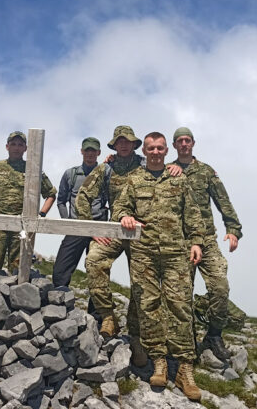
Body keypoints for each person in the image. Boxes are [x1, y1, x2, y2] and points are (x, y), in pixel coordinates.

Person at [112, 132, 206, 401]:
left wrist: (196, 242)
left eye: (160, 148)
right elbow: (119, 207)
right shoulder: (134, 180)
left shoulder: (179, 178)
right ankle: (159, 362)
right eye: (151, 148)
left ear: (166, 151)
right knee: (148, 305)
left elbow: (193, 214)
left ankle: (185, 369)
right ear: (147, 150)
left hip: (176, 253)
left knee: (180, 306)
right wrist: (125, 216)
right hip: (144, 253)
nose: (155, 152)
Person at [74, 125, 147, 365]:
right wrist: (92, 229)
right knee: (93, 261)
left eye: (128, 141)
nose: (123, 145)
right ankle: (108, 317)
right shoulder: (106, 167)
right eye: (119, 142)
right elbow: (83, 195)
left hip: (142, 231)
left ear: (135, 144)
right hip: (115, 229)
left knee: (141, 281)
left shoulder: (147, 166)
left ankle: (136, 336)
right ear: (114, 145)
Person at [171, 127, 243, 361]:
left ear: (193, 143)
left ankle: (213, 335)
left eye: (187, 140)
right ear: (174, 145)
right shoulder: (168, 170)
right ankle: (186, 339)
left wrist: (233, 229)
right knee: (182, 293)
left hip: (208, 240)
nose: (184, 144)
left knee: (220, 288)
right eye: (180, 141)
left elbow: (223, 200)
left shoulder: (206, 171)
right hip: (180, 241)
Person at [0, 131, 56, 276]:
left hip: (21, 227)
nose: (16, 147)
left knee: (19, 270)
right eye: (13, 144)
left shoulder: (33, 170)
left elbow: (51, 194)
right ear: (7, 146)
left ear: (25, 148)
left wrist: (41, 214)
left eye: (20, 145)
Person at [52, 137, 108, 294]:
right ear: (82, 151)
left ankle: (96, 316)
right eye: (87, 150)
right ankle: (58, 306)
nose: (90, 154)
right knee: (60, 270)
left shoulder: (106, 173)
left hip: (99, 229)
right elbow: (61, 201)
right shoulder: (71, 174)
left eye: (93, 151)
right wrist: (68, 223)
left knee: (98, 271)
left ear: (99, 153)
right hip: (76, 227)